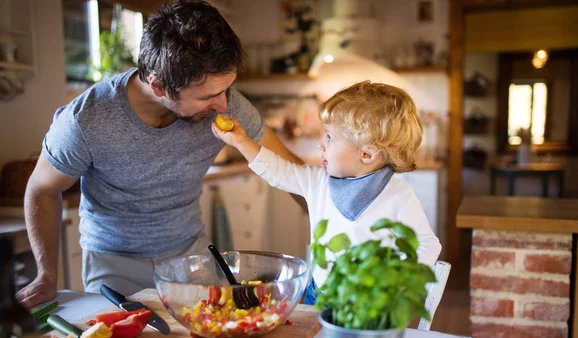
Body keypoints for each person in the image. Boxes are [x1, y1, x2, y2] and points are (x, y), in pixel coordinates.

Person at [17, 0, 304, 307]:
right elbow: (42, 190)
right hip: (114, 266)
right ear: (158, 86)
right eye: (208, 96)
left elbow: (291, 173)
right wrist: (46, 275)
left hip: (192, 258)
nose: (223, 105)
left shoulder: (228, 103)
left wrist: (344, 228)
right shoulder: (86, 120)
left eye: (226, 89)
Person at [212, 80, 442, 305]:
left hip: (368, 305)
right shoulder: (317, 181)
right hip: (319, 294)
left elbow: (428, 244)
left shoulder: (398, 196)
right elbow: (276, 170)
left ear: (367, 154)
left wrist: (395, 283)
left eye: (330, 137)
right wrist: (241, 142)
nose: (321, 144)